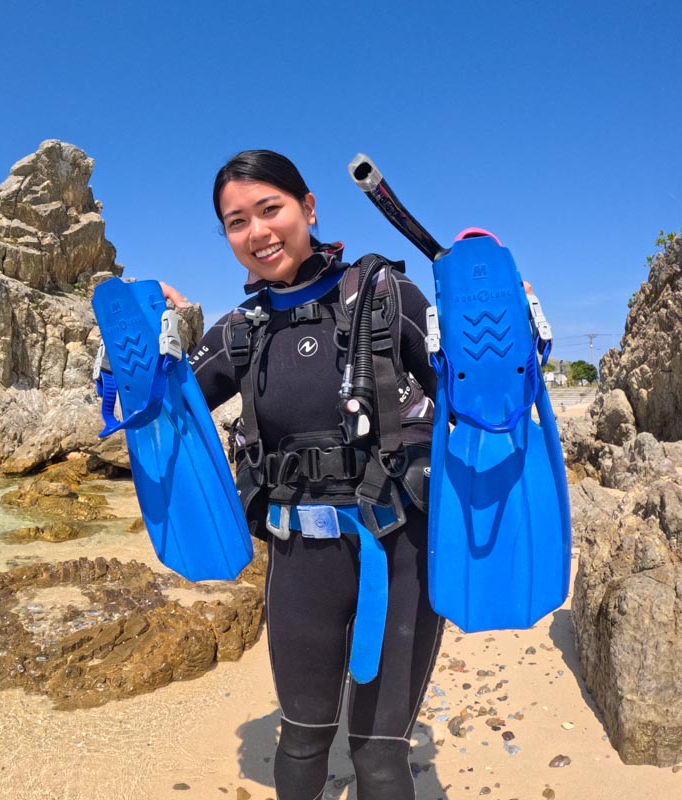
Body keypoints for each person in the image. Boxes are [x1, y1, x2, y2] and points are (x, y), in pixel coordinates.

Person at [164, 150, 444, 800]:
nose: (256, 232)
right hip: (298, 563)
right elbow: (157, 414)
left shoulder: (385, 296)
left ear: (308, 208)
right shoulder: (241, 333)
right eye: (236, 221)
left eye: (270, 209)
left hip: (401, 556)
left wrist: (508, 339)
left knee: (377, 758)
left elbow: (475, 399)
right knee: (301, 739)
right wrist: (160, 349)